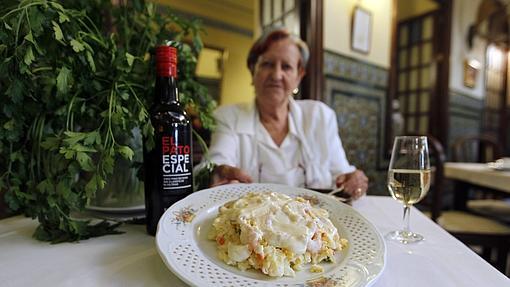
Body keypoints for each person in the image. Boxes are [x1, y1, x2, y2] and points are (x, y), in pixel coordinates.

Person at [201, 27, 368, 199]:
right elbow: (214, 165)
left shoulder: (320, 116)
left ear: (299, 75)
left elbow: (342, 174)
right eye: (267, 64)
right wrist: (217, 173)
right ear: (253, 70)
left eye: (286, 66)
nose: (276, 74)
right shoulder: (227, 117)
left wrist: (354, 180)